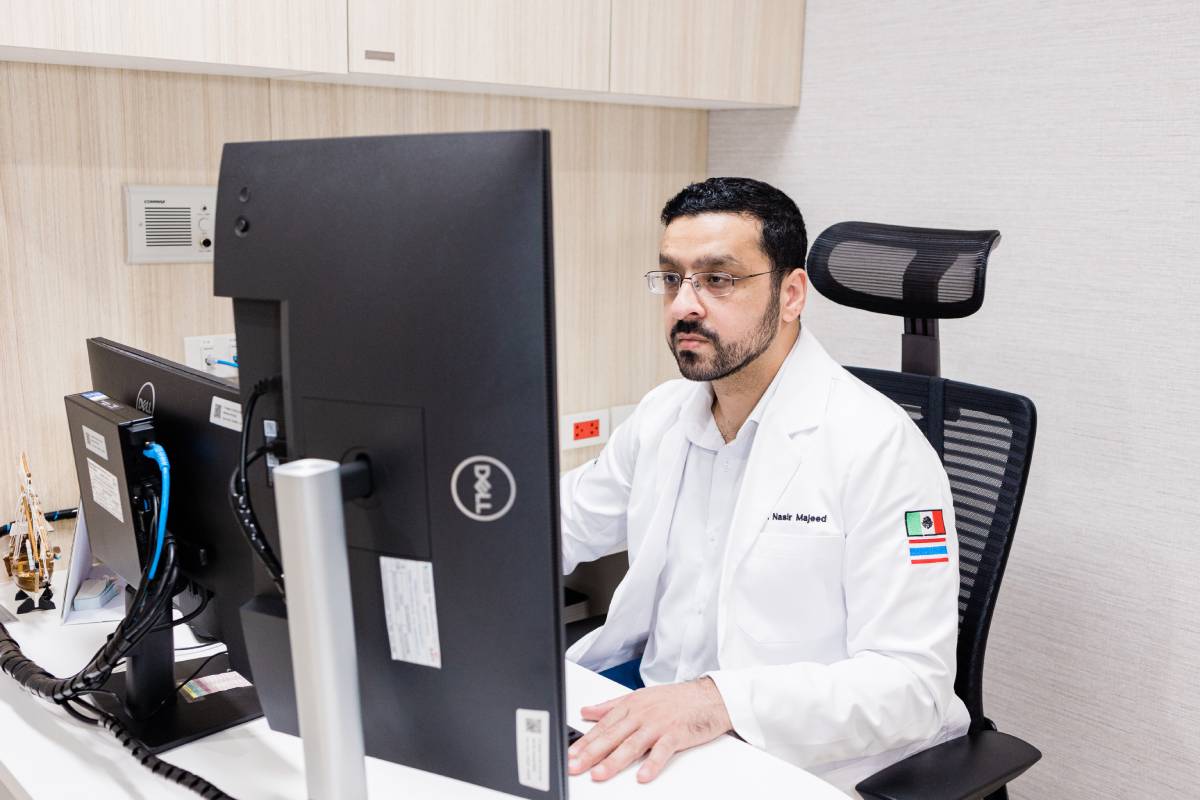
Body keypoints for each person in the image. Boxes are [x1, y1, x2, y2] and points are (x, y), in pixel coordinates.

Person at [560, 178, 969, 795]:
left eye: (718, 279)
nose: (684, 305)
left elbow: (912, 687)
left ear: (791, 294)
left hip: (795, 754)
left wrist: (715, 701)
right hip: (657, 716)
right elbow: (552, 527)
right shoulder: (665, 414)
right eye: (671, 278)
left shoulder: (879, 448)